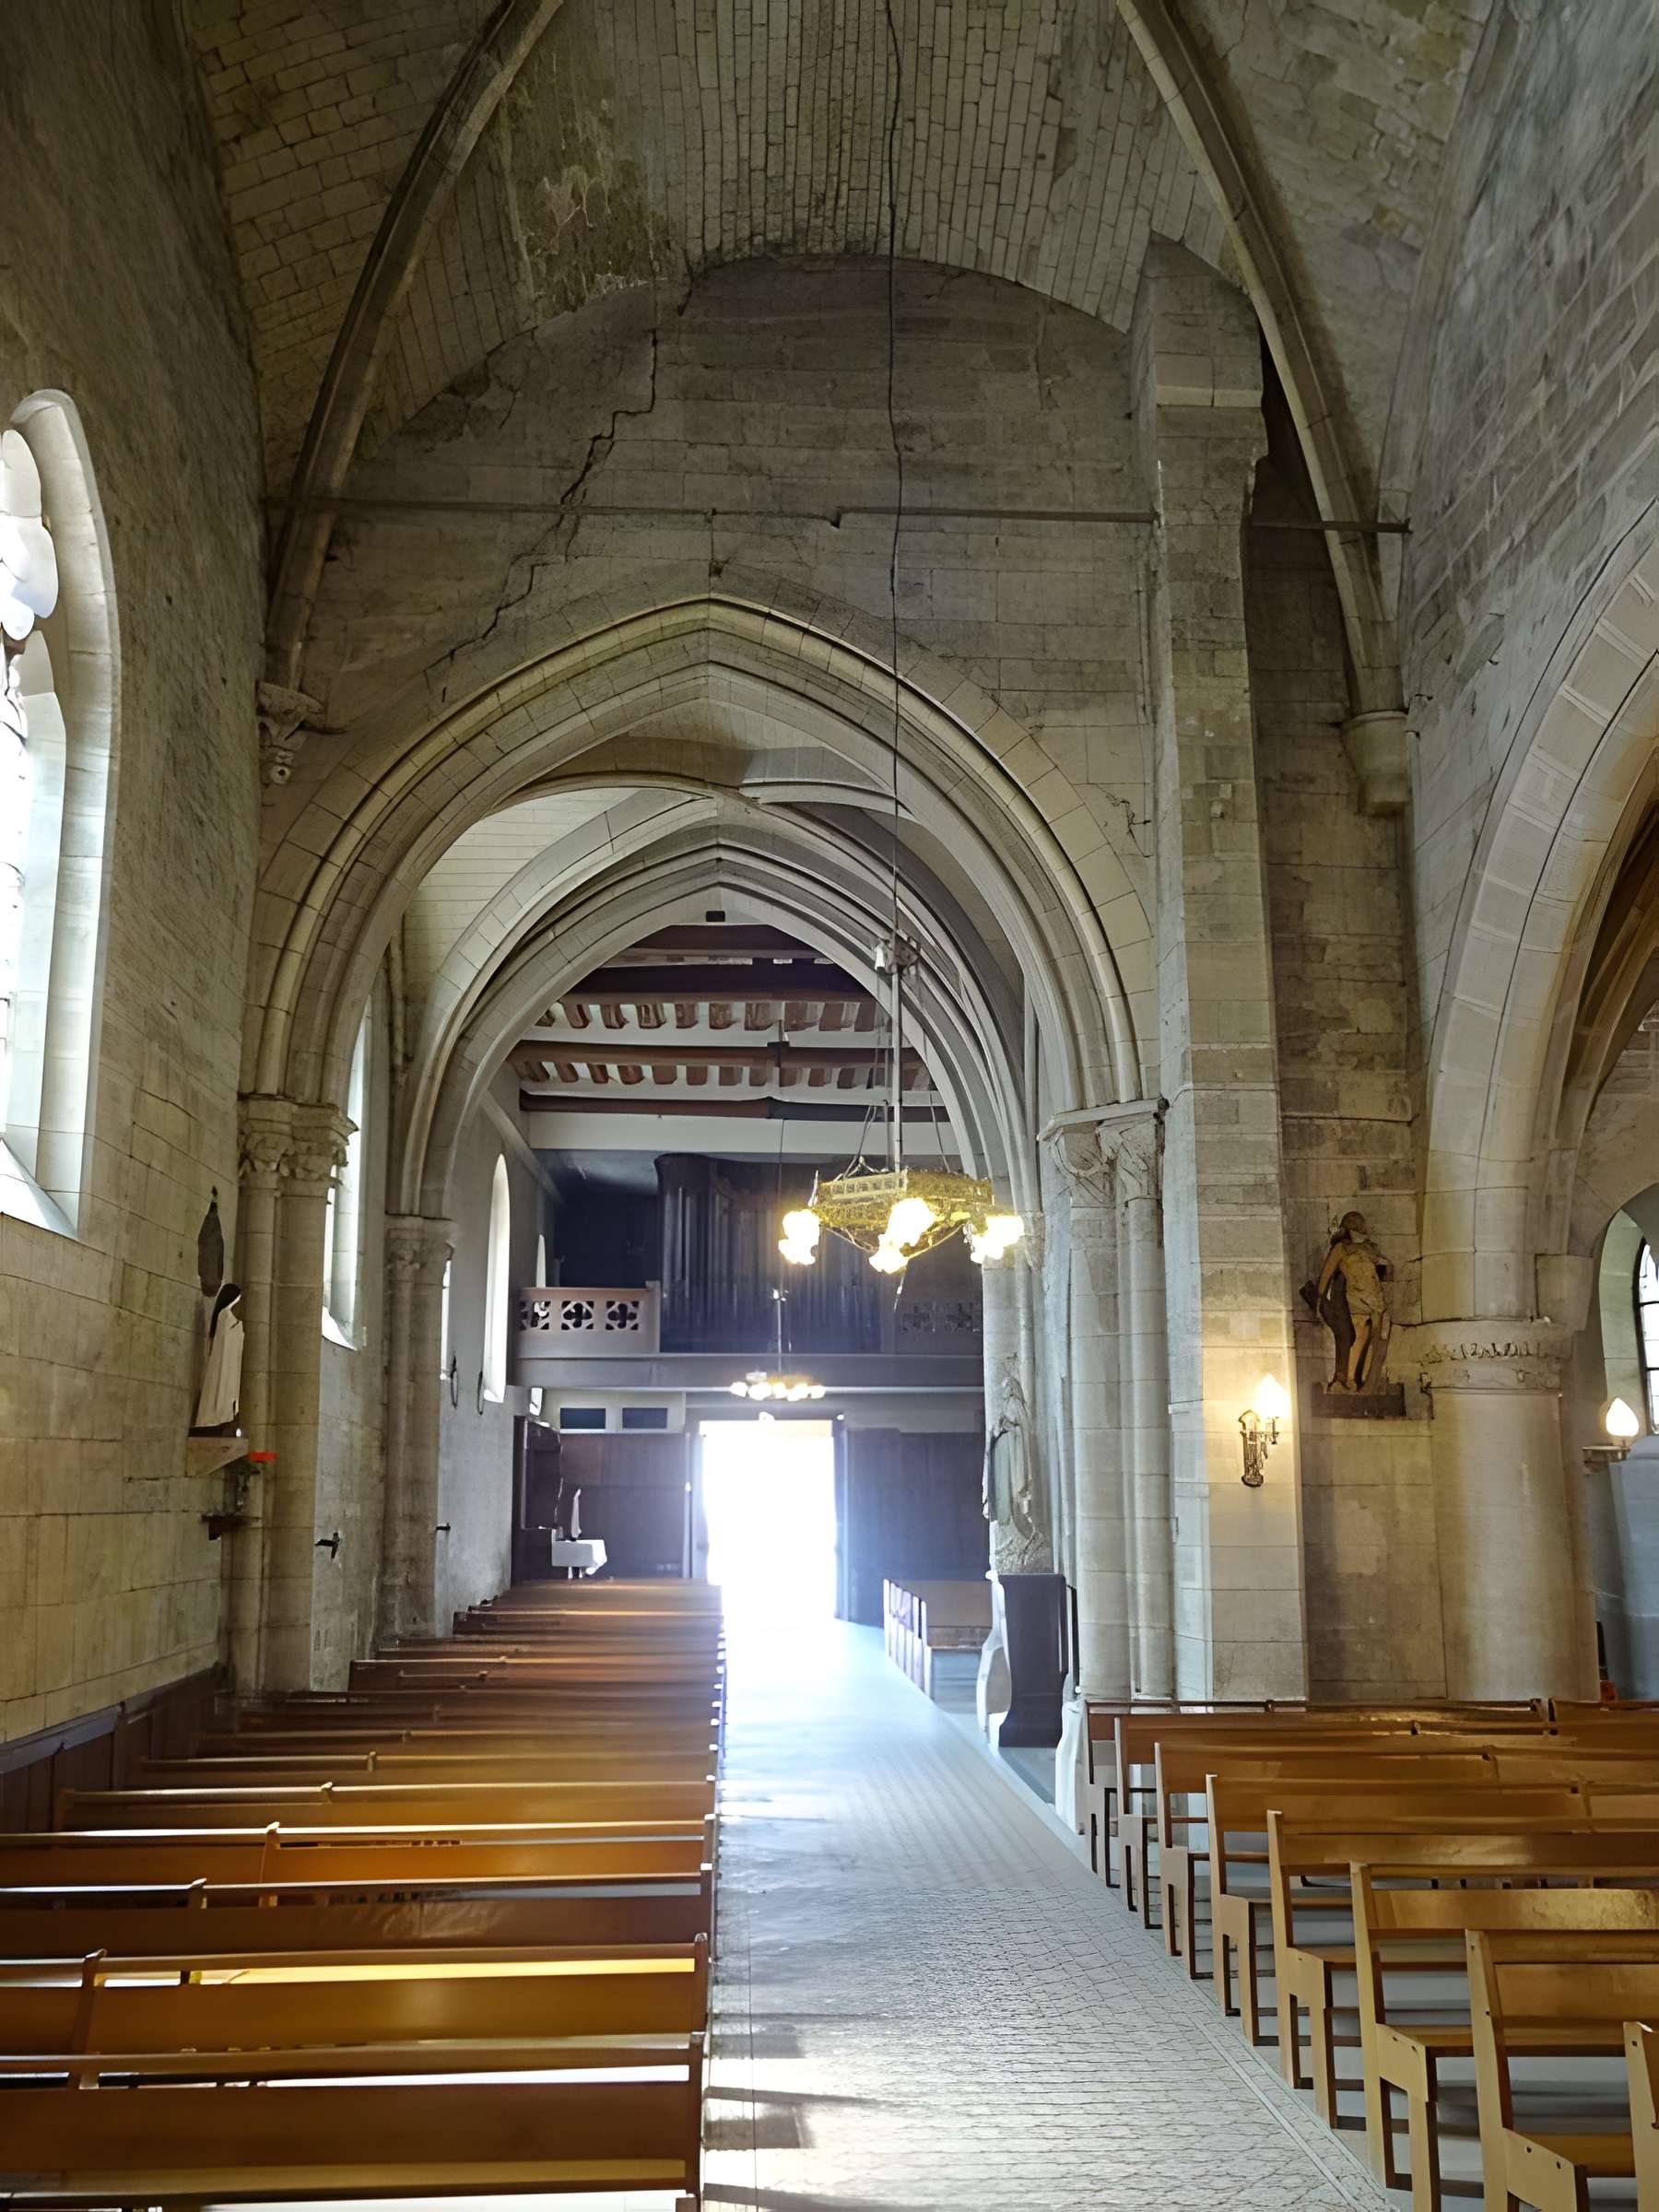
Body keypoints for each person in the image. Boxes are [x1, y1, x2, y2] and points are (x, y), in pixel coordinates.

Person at [1316, 1213, 1389, 1391]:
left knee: (1372, 1338)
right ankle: (1348, 1378)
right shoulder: (1341, 1248)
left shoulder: (1368, 1248)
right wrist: (1319, 1301)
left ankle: (1364, 1379)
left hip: (1375, 1299)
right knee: (1357, 1337)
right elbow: (1326, 1276)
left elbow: (1384, 1266)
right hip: (1356, 1299)